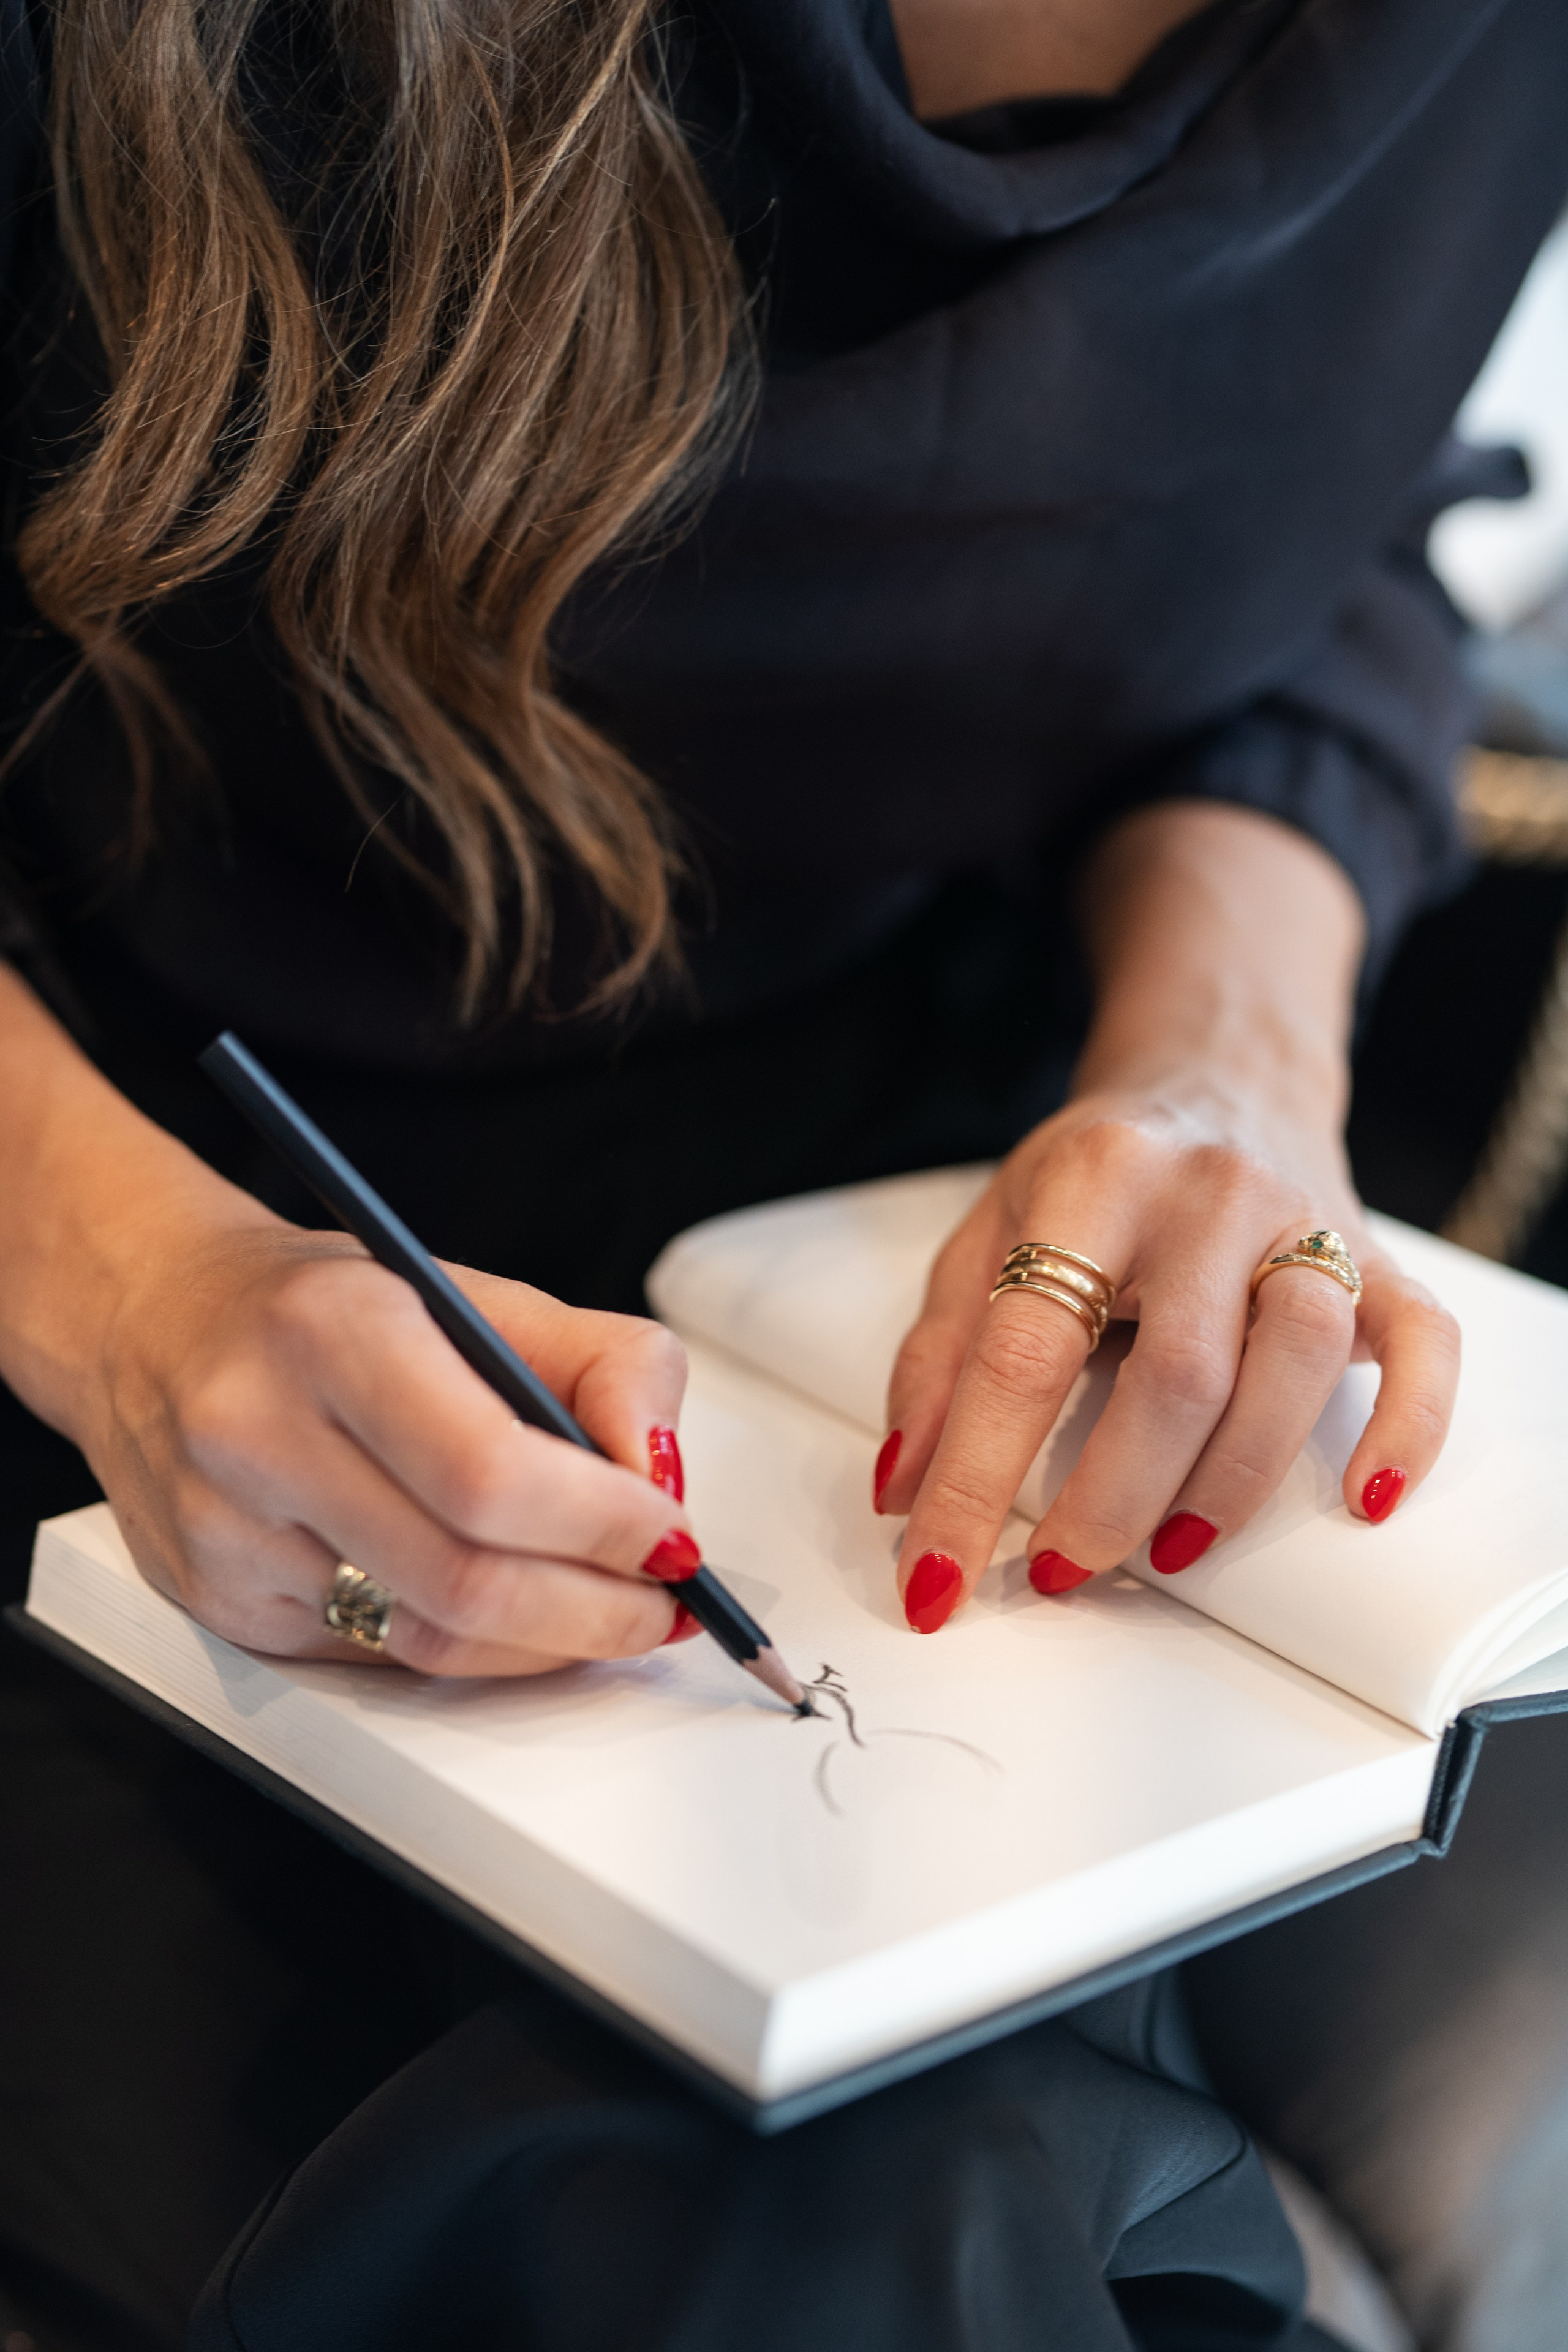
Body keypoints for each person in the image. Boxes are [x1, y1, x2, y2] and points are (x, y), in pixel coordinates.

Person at [0, 0, 1564, 2345]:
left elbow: (1323, 501)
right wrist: (127, 1287)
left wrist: (1231, 1054)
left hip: (943, 1202)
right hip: (122, 1260)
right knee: (821, 2214)